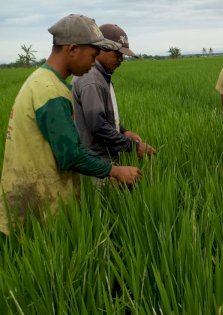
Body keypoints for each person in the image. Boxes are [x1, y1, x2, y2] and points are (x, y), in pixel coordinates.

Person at [0, 14, 142, 235]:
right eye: (93, 55)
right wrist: (115, 171)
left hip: (34, 194)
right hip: (42, 202)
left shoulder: (41, 81)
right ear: (73, 49)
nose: (93, 63)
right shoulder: (50, 92)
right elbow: (70, 155)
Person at [73, 24, 156, 162]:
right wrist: (134, 147)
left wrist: (123, 131)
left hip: (102, 158)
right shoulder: (92, 79)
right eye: (117, 53)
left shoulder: (101, 75)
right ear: (100, 48)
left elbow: (103, 117)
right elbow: (97, 125)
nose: (121, 59)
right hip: (96, 161)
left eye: (122, 54)